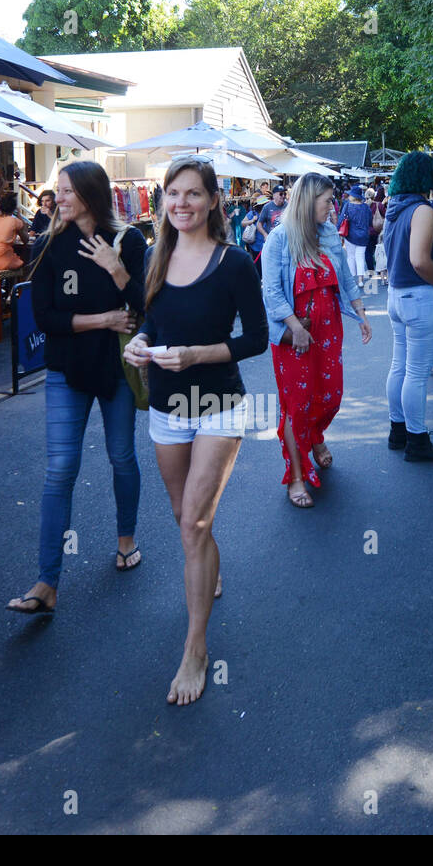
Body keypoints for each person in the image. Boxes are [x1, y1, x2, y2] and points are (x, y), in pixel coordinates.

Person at [122, 157, 267, 705]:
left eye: (192, 194)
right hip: (165, 404)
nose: (180, 203)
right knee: (189, 523)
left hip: (217, 402)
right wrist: (140, 344)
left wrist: (195, 355)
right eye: (172, 194)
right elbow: (153, 323)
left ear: (212, 202)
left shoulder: (233, 263)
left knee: (192, 523)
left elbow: (256, 337)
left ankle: (195, 648)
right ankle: (208, 567)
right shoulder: (156, 255)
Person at [6, 160, 146, 616]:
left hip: (117, 368)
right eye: (57, 191)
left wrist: (116, 268)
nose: (56, 198)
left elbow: (145, 306)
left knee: (121, 455)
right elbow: (44, 317)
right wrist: (104, 320)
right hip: (66, 370)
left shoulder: (129, 240)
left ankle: (126, 539)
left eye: (65, 191)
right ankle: (47, 581)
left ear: (89, 193)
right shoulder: (48, 245)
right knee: (59, 470)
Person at [261, 173, 371, 507]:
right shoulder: (278, 240)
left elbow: (347, 278)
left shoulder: (328, 234)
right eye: (326, 200)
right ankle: (296, 475)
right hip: (293, 335)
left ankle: (316, 436)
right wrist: (295, 328)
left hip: (328, 329)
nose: (332, 207)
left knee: (331, 395)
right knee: (298, 405)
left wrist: (361, 313)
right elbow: (272, 292)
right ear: (309, 201)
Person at [381, 151, 433, 462]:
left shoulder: (394, 208)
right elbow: (420, 260)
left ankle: (398, 431)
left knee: (400, 366)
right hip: (421, 296)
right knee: (417, 372)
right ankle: (417, 439)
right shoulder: (422, 210)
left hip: (397, 296)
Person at [337, 185, 374, 283]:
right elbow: (370, 221)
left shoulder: (348, 205)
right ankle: (361, 280)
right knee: (360, 257)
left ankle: (352, 280)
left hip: (350, 236)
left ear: (352, 196)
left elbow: (341, 219)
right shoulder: (366, 207)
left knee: (351, 257)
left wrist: (337, 231)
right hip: (364, 236)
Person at [254, 183, 288, 261]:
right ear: (274, 195)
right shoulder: (267, 207)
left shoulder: (288, 206)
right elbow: (259, 224)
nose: (283, 196)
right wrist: (265, 234)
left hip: (285, 242)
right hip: (272, 242)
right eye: (281, 194)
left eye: (285, 194)